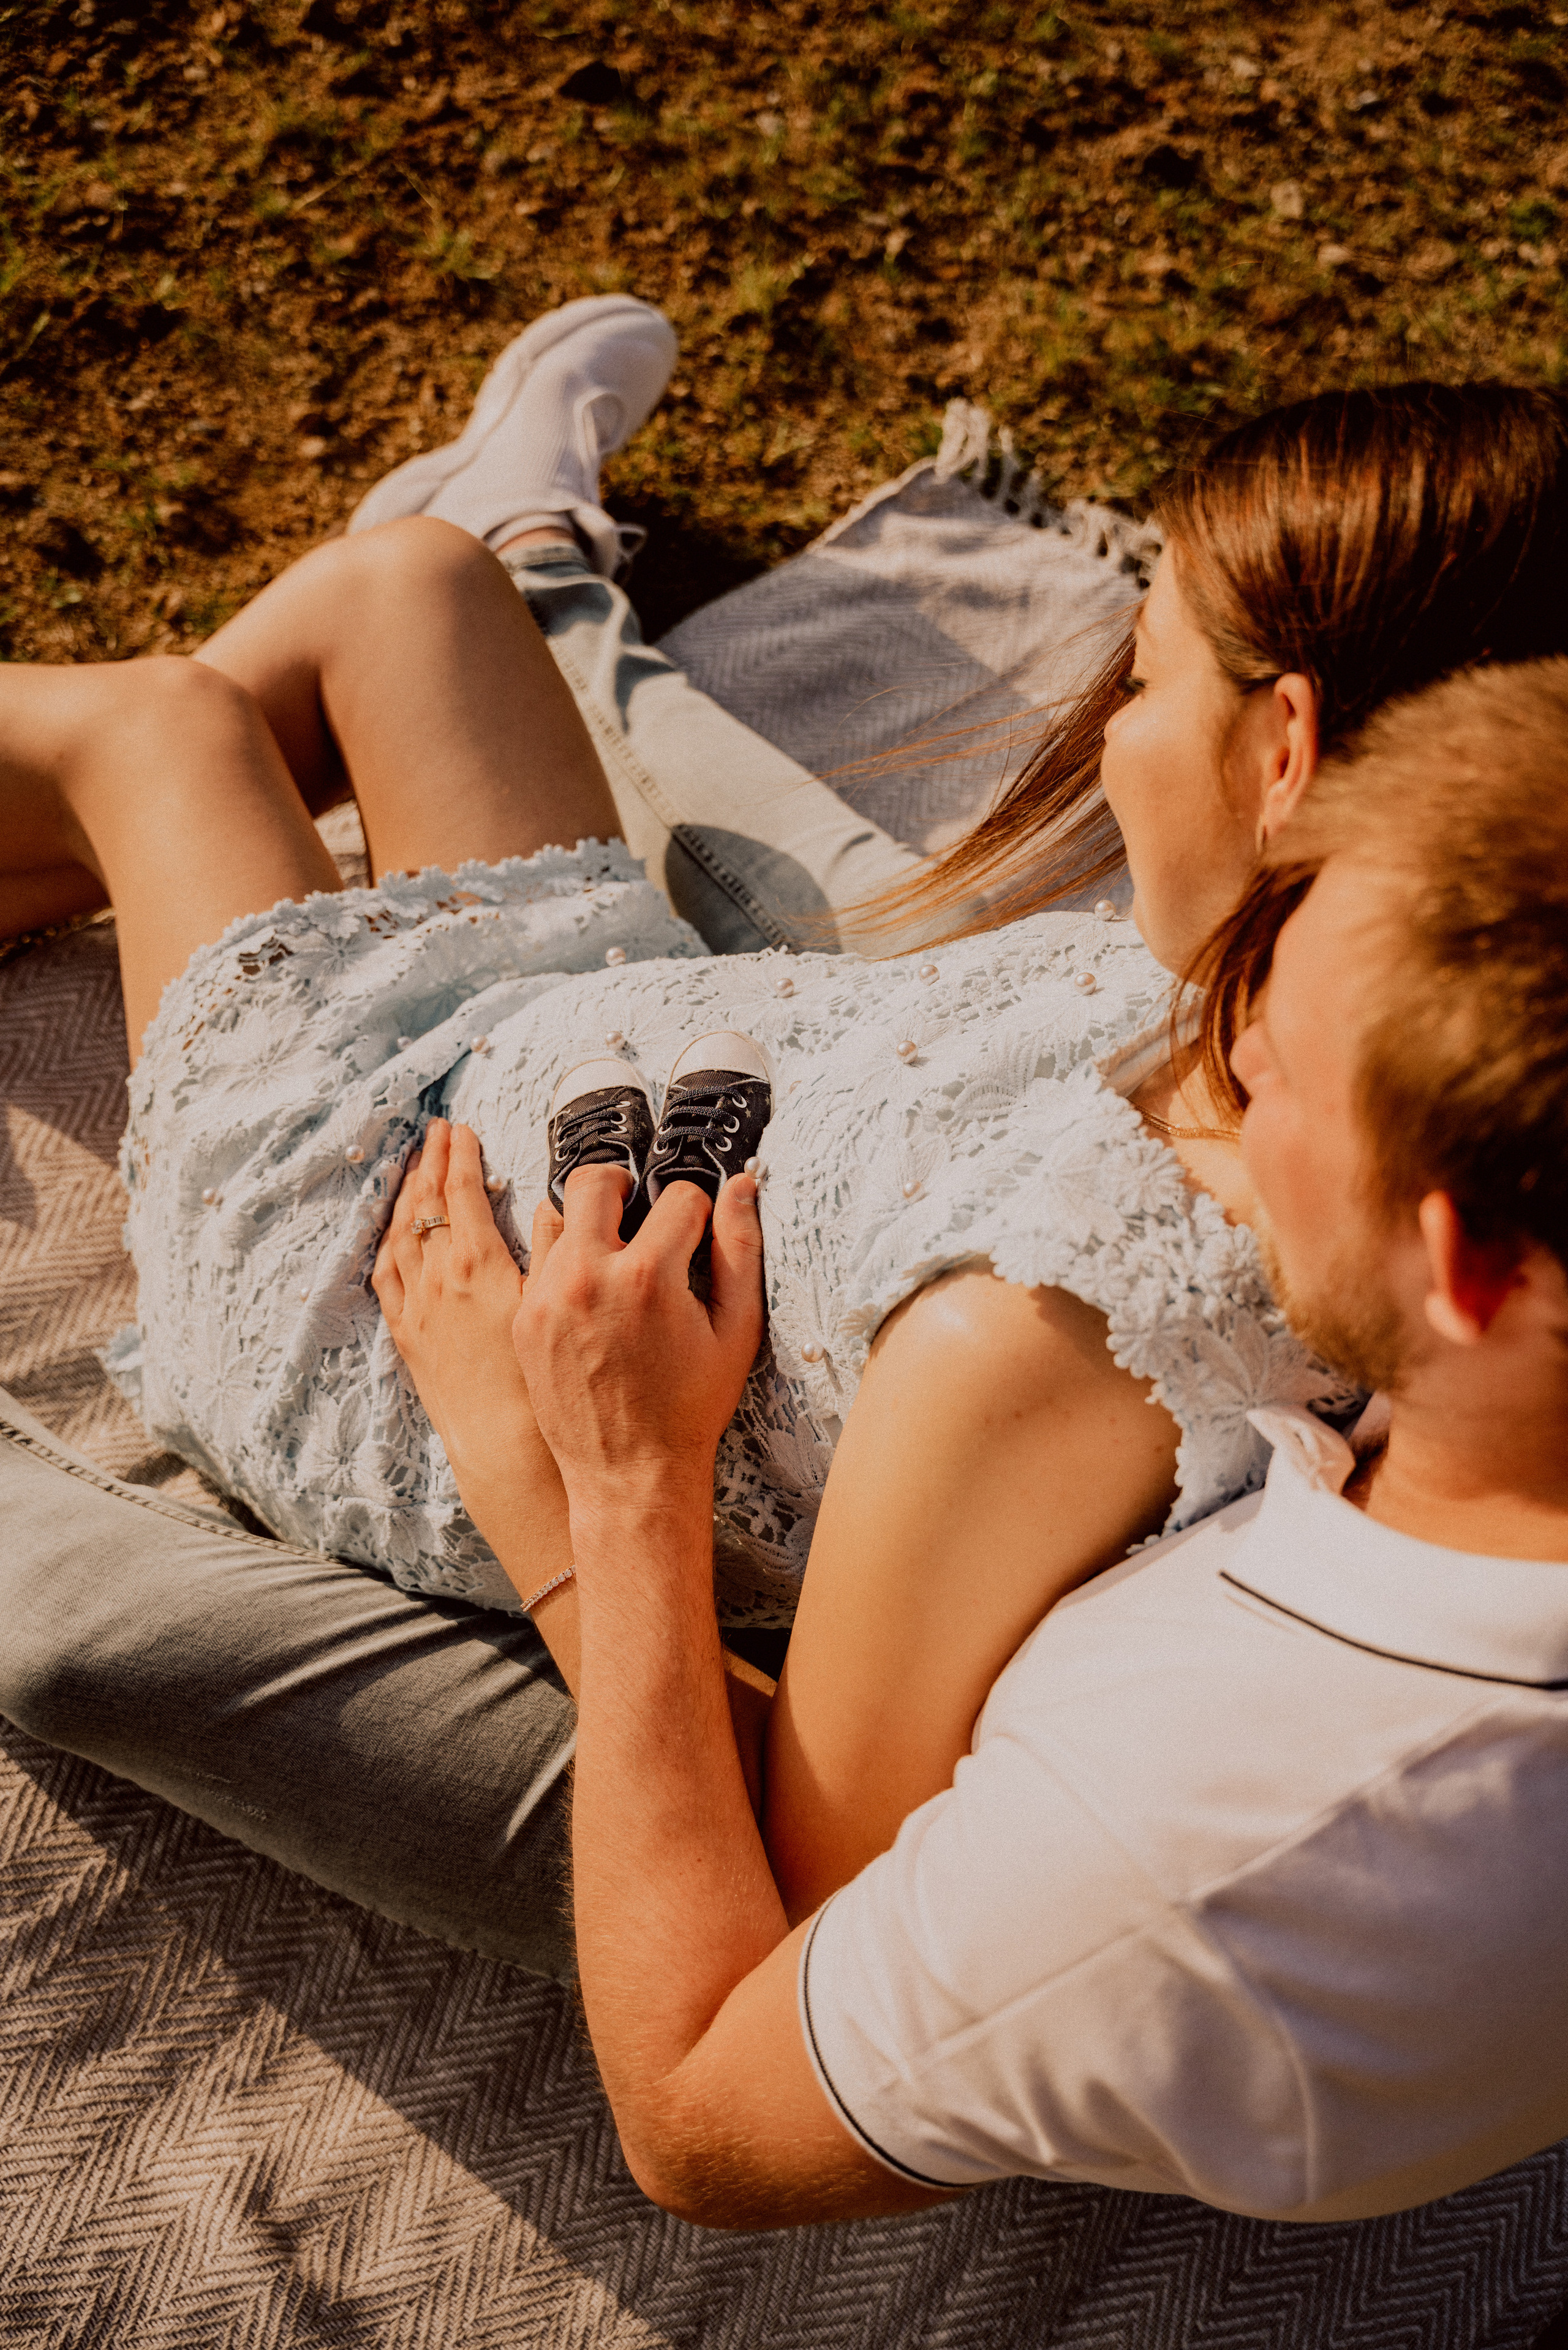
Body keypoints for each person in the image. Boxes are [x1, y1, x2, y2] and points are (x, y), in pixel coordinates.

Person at [2, 326, 1567, 1972]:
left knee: (162, 729)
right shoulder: (1291, 1020)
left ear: (1285, 747)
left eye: (1143, 676)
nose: (1107, 735)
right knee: (412, 585)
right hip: (593, 1035)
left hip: (381, 1268)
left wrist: (544, 1462)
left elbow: (813, 1866)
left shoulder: (1038, 1337)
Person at [416, 655, 1567, 2228]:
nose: (1226, 1061)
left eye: (1280, 1074)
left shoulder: (1206, 1848)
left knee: (96, 1618)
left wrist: (590, 1488)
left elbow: (695, 2118)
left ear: (1467, 1270)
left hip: (785, 1807)